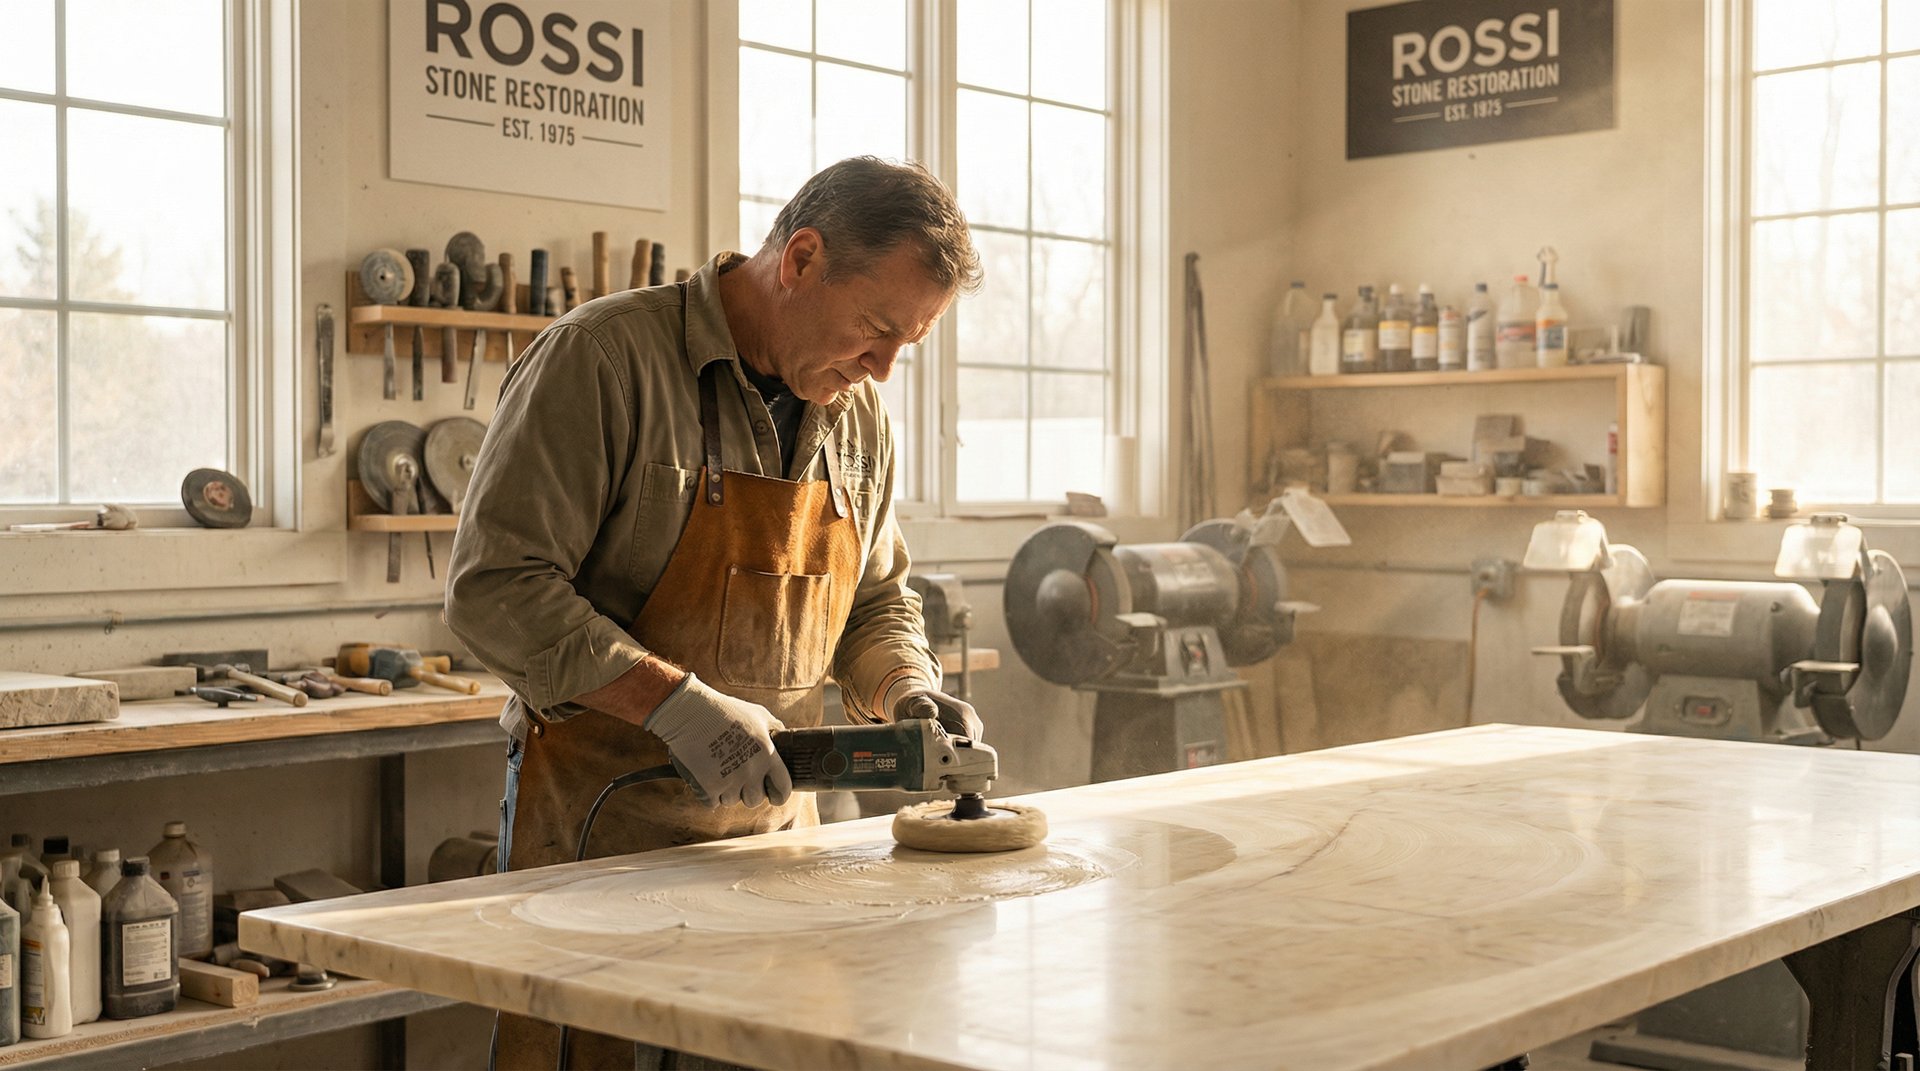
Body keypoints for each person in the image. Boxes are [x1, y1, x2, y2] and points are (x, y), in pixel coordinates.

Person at [444, 156, 984, 1070]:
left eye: (908, 347)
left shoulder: (856, 416)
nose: (884, 370)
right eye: (876, 329)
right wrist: (677, 704)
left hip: (780, 838)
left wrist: (906, 688)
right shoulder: (603, 360)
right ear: (801, 259)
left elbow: (879, 598)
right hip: (603, 839)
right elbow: (497, 588)